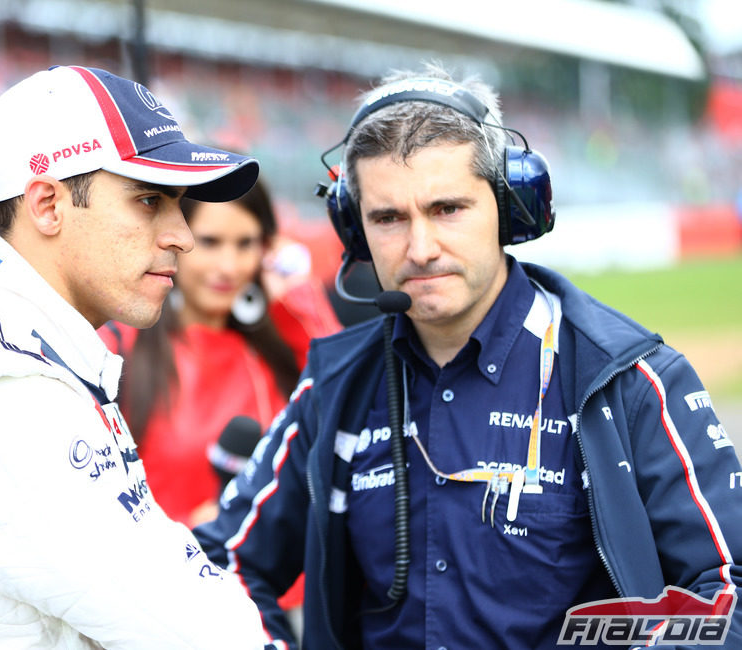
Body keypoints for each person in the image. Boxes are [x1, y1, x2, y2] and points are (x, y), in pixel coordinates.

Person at [195, 62, 742, 649]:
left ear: (509, 209)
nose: (421, 248)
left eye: (447, 209)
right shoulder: (335, 387)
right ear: (354, 231)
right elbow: (220, 563)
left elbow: (727, 590)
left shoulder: (629, 380)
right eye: (388, 218)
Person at [0, 65, 275, 649]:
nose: (182, 236)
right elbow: (202, 635)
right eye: (148, 201)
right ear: (47, 205)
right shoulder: (13, 396)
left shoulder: (18, 348)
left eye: (179, 205)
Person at [99, 176, 341, 526]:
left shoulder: (279, 347)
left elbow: (345, 405)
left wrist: (297, 298)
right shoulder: (119, 349)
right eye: (210, 242)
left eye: (245, 244)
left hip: (273, 578)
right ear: (174, 239)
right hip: (166, 570)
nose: (228, 267)